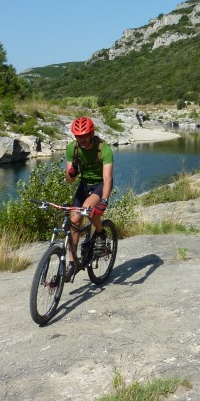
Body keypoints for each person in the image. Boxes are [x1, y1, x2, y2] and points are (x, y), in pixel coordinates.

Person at [64, 116, 114, 281]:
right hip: (84, 184)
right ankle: (72, 263)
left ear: (91, 133)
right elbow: (70, 181)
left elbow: (107, 179)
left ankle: (100, 233)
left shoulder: (104, 149)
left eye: (85, 135)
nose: (82, 139)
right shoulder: (73, 148)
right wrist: (71, 173)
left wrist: (104, 201)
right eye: (78, 136)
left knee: (87, 208)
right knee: (74, 220)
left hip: (100, 185)